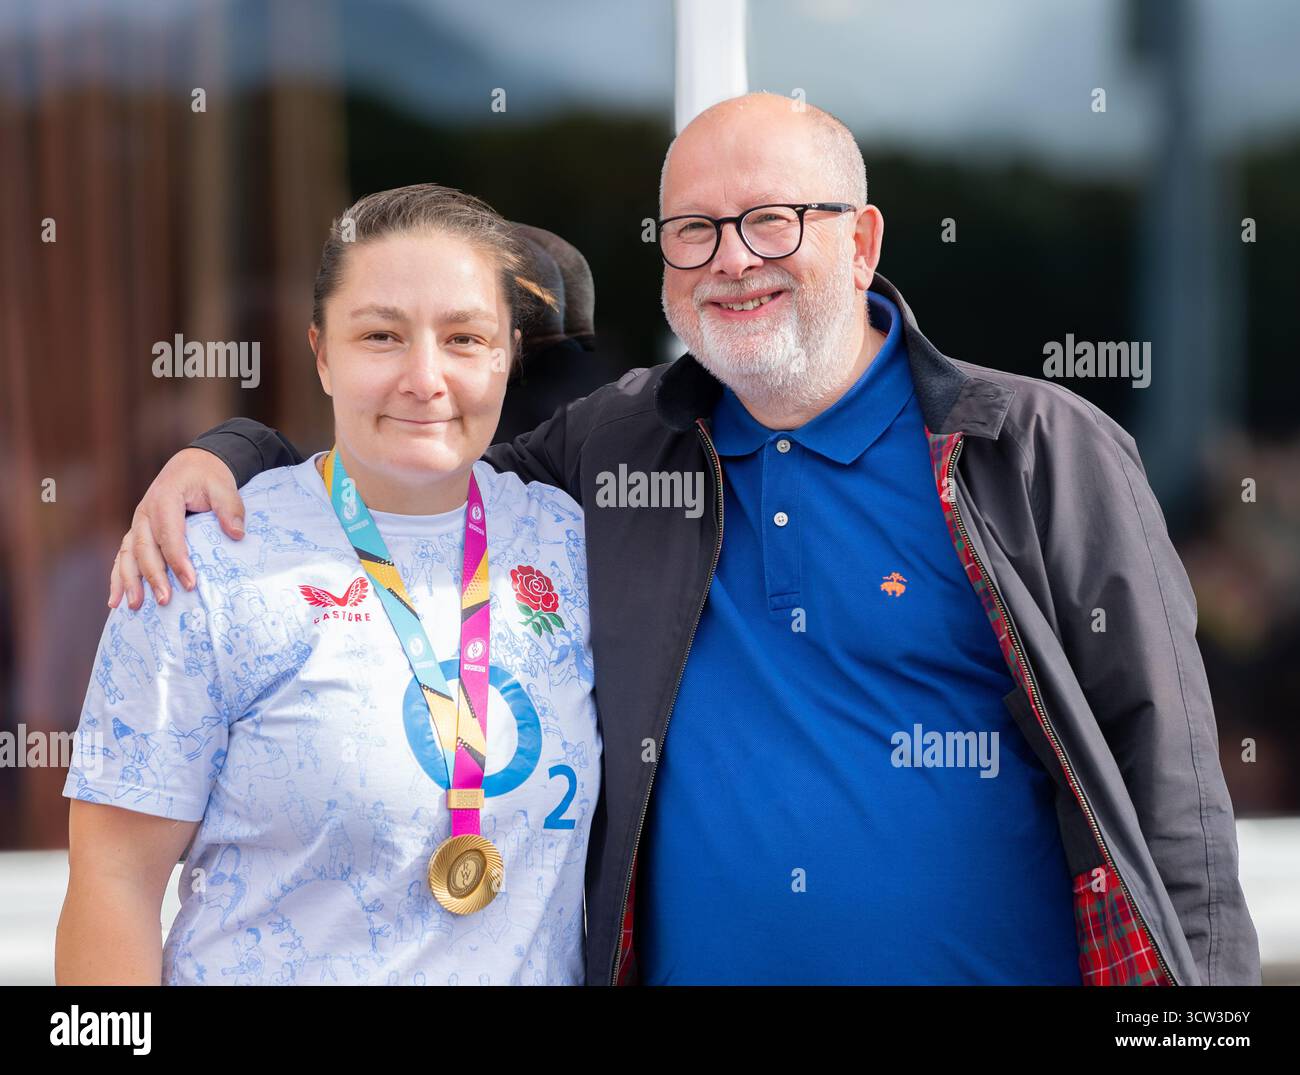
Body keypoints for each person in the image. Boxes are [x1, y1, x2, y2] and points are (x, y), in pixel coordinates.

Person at [109, 93, 1260, 986]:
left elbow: (1172, 794)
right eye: (693, 231)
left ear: (860, 241)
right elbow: (414, 456)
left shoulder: (1029, 448)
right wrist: (236, 450)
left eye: (770, 221)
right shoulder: (621, 444)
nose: (730, 259)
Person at [58, 184, 600, 985]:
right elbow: (113, 883)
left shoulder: (571, 543)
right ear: (321, 353)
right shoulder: (204, 562)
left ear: (506, 354)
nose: (425, 377)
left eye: (464, 337)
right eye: (381, 335)